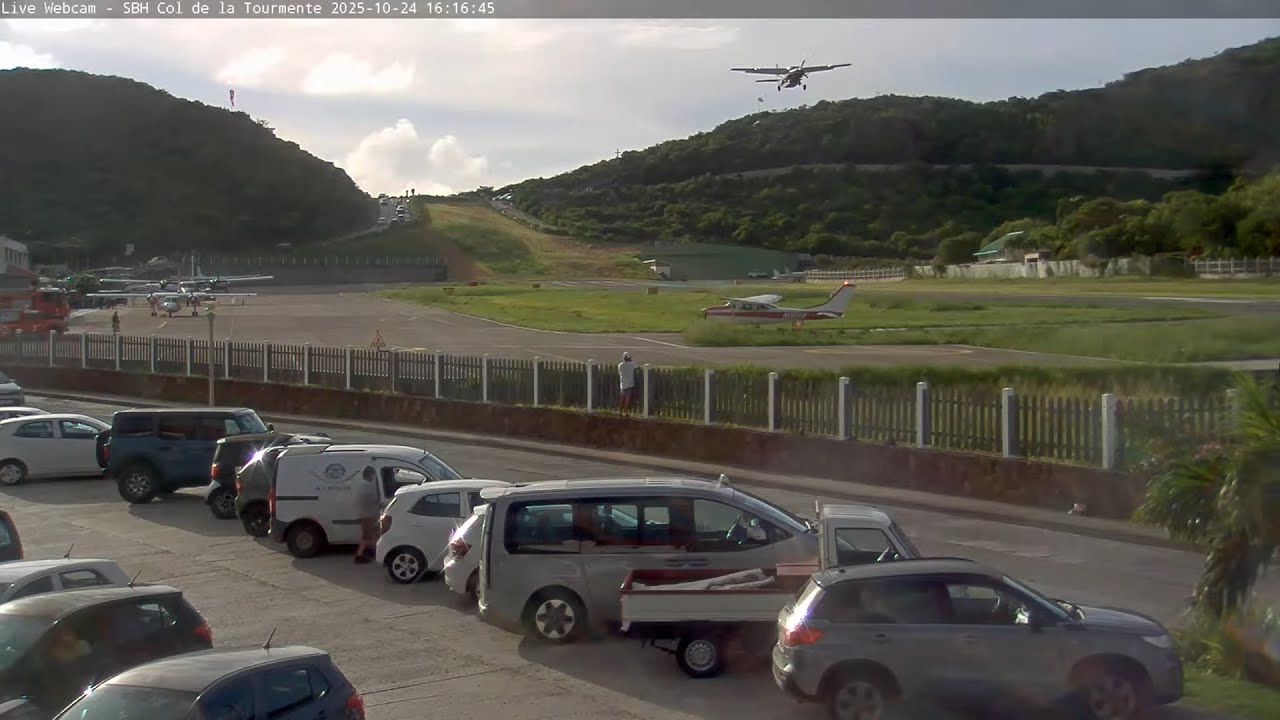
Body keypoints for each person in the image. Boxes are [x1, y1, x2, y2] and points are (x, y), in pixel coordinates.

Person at [354, 466, 382, 564]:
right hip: (368, 515)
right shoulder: (367, 487)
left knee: (367, 536)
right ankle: (361, 555)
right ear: (370, 475)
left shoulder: (361, 485)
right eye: (373, 475)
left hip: (365, 515)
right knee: (370, 536)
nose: (374, 477)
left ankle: (362, 554)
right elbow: (375, 500)